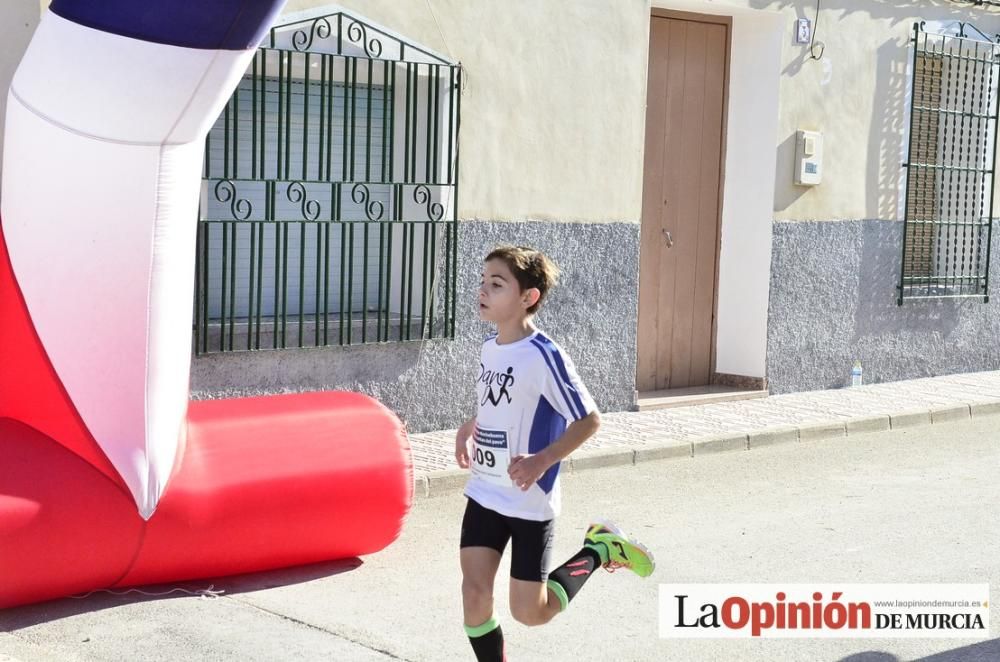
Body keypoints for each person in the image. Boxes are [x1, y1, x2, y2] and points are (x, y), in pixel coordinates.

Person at [454, 245, 655, 662]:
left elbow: (588, 420)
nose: (483, 290)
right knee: (474, 595)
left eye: (497, 283)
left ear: (528, 297)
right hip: (486, 491)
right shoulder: (490, 348)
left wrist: (541, 460)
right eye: (482, 281)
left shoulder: (546, 356)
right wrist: (470, 426)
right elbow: (502, 403)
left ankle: (599, 549)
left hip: (530, 501)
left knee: (530, 612)